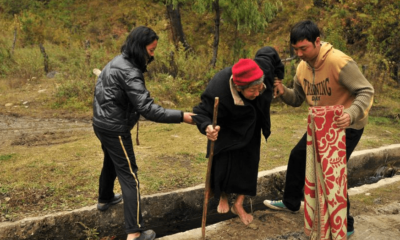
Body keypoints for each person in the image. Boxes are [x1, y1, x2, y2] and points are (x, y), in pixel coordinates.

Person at [263, 20, 374, 238]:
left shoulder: (339, 62)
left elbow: (366, 91)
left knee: (331, 172)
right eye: (295, 49)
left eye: (303, 48)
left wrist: (350, 115)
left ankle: (346, 224)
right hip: (320, 125)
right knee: (297, 156)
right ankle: (291, 202)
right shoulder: (302, 67)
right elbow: (297, 98)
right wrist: (282, 90)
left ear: (317, 41)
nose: (299, 54)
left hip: (347, 124)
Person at [92, 26, 194, 240]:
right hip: (115, 128)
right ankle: (135, 232)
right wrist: (182, 116)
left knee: (111, 160)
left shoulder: (116, 62)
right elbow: (148, 109)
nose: (153, 54)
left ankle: (105, 198)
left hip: (100, 124)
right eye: (151, 49)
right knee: (130, 177)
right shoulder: (129, 71)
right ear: (139, 48)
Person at [192, 47, 285, 225]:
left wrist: (278, 78)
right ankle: (223, 196)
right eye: (253, 91)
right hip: (227, 122)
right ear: (238, 86)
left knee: (250, 162)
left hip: (253, 120)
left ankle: (239, 204)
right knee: (224, 160)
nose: (258, 93)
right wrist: (207, 127)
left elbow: (269, 52)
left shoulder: (261, 69)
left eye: (260, 88)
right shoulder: (217, 87)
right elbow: (200, 113)